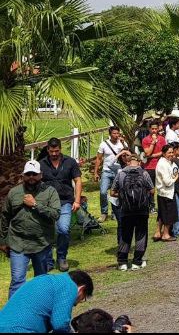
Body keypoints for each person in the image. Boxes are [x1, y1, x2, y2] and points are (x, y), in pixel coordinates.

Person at [1, 160, 60, 299]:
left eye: (34, 174)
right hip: (18, 243)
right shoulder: (14, 193)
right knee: (17, 281)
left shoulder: (50, 192)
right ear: (23, 176)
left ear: (41, 175)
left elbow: (56, 214)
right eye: (28, 174)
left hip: (41, 243)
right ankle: (13, 315)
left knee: (41, 281)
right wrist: (3, 241)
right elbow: (5, 217)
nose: (31, 177)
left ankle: (39, 310)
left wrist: (35, 205)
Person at [0, 271, 94, 333]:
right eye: (82, 298)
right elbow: (60, 324)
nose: (76, 304)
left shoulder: (47, 279)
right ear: (82, 289)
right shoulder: (69, 286)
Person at [39, 137, 81, 272]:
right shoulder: (41, 164)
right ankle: (48, 260)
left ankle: (62, 257)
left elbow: (78, 180)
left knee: (63, 229)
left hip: (65, 202)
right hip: (47, 204)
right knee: (48, 232)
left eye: (56, 151)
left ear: (60, 149)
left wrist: (77, 200)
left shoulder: (70, 162)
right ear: (48, 150)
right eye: (51, 151)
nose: (54, 154)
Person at [111, 154, 153, 271]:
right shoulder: (144, 173)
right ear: (139, 162)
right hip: (142, 210)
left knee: (125, 235)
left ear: (127, 162)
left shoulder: (121, 174)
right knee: (141, 234)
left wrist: (122, 195)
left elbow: (112, 192)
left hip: (126, 210)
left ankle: (122, 262)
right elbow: (152, 190)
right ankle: (137, 261)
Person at [94, 126, 128, 222]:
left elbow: (127, 155)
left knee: (116, 193)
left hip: (119, 171)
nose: (116, 135)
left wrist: (123, 143)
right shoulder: (103, 144)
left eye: (118, 133)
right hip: (107, 170)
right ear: (110, 134)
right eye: (114, 133)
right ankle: (104, 212)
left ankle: (115, 212)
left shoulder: (122, 143)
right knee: (103, 192)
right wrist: (96, 172)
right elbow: (99, 158)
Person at [153, 145, 179, 242]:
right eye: (169, 153)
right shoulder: (163, 164)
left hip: (162, 192)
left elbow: (175, 169)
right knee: (168, 214)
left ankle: (158, 232)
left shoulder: (166, 162)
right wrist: (175, 178)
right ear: (164, 153)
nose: (171, 154)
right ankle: (165, 234)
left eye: (172, 152)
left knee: (161, 213)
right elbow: (167, 182)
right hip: (166, 192)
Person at [141, 120, 166, 214]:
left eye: (156, 129)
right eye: (153, 129)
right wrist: (153, 143)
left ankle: (162, 205)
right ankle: (151, 205)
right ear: (149, 129)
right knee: (150, 188)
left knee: (161, 186)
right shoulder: (146, 140)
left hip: (160, 165)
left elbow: (164, 152)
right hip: (149, 167)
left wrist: (152, 156)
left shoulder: (162, 139)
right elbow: (147, 152)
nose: (154, 131)